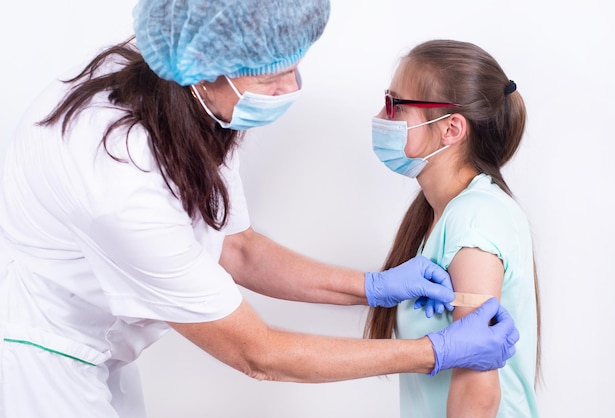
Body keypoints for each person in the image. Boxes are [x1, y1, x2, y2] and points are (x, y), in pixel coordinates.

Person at [0, 1, 519, 416]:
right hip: (41, 357)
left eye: (292, 68)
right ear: (206, 74)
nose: (290, 88)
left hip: (99, 348)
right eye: (271, 77)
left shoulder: (187, 89)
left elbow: (237, 248)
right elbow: (258, 354)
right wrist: (437, 353)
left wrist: (370, 287)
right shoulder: (118, 180)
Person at [365, 39, 540, 417]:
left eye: (395, 104)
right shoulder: (438, 213)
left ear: (451, 129)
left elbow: (478, 392)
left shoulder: (475, 218)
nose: (381, 114)